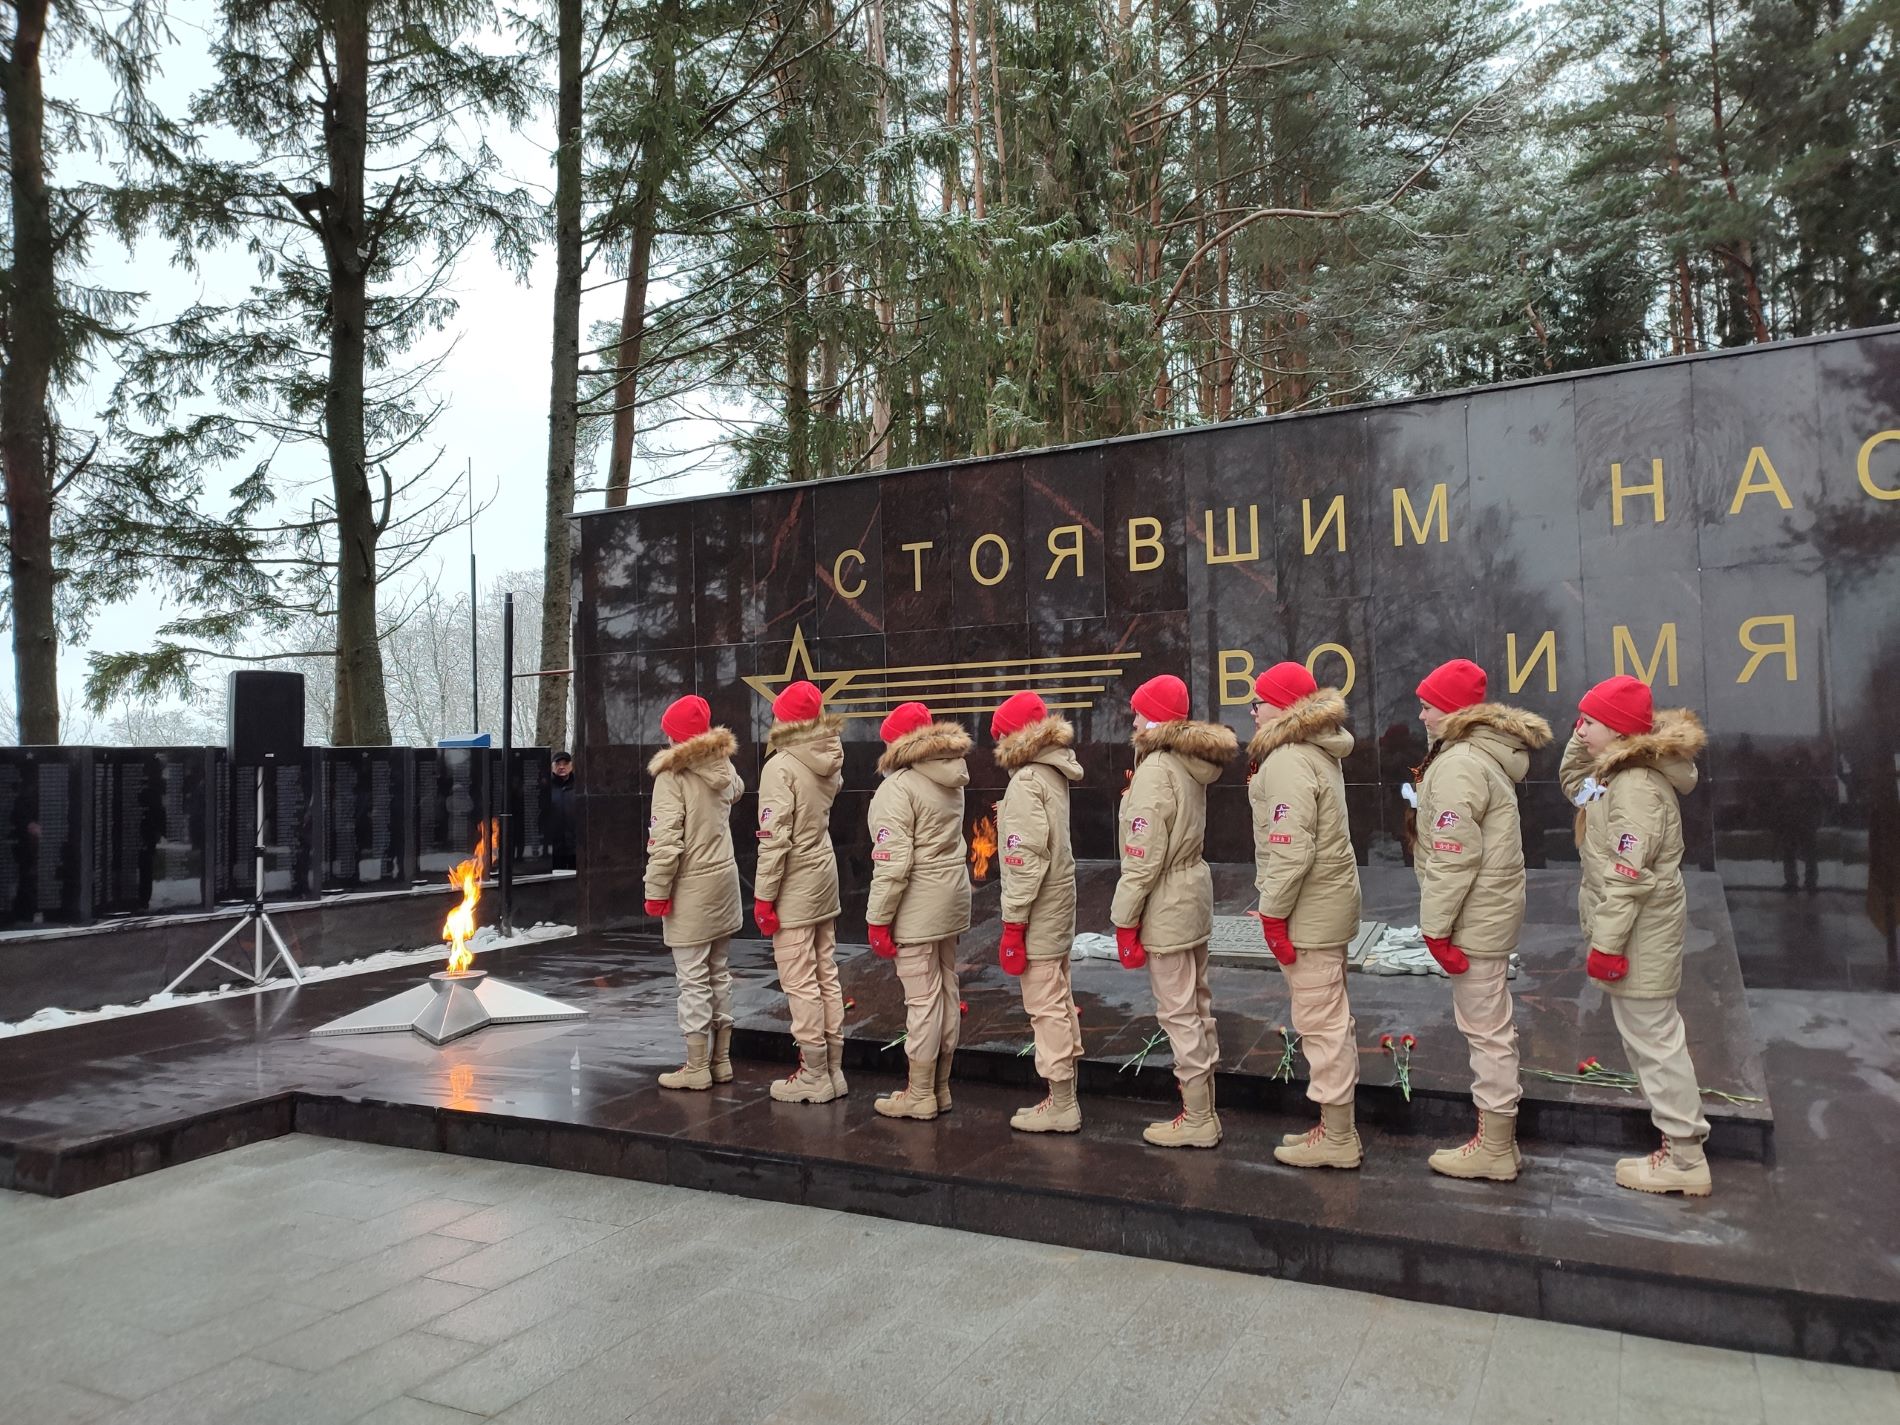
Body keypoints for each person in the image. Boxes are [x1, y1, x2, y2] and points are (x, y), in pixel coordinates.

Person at [1562, 675, 1713, 1196]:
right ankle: (1679, 1149)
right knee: (1651, 1040)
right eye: (1579, 720)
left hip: (1638, 937)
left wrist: (1606, 946)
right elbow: (1574, 785)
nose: (1579, 730)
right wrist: (1586, 732)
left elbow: (1628, 877)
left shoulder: (1635, 788)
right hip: (1637, 935)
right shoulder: (1618, 774)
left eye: (1590, 722)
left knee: (1656, 1043)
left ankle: (1685, 1159)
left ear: (1621, 732)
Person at [1410, 658, 1551, 1181]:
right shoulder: (1476, 757)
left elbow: (1452, 855)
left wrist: (1436, 928)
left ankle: (1494, 1148)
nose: (1421, 717)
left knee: (1487, 1031)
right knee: (1490, 1026)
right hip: (1485, 913)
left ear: (1451, 711)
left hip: (1474, 919)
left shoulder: (1459, 764)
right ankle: (1498, 1144)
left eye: (1427, 707)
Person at [1112, 673, 1239, 1148]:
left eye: (1138, 710)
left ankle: (1197, 1117)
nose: (1132, 718)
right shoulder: (1188, 762)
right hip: (1192, 896)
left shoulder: (1155, 770)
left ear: (1154, 718)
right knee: (1197, 1005)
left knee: (1179, 1012)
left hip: (1166, 902)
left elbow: (1141, 857)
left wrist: (1125, 919)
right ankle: (1204, 1107)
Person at [1246, 662, 1365, 1170]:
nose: (1252, 711)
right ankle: (1332, 1126)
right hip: (1324, 902)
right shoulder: (1313, 751)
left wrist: (1272, 916)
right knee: (1328, 1015)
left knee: (1320, 1019)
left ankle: (1338, 1137)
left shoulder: (1289, 759)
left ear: (1285, 708)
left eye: (1260, 702)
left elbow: (1290, 849)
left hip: (1310, 910)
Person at [864, 701, 973, 1121]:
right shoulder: (951, 774)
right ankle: (940, 1088)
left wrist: (878, 918)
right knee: (946, 991)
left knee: (923, 1000)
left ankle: (920, 1093)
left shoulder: (898, 788)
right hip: (949, 898)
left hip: (917, 905)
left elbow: (892, 862)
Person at [991, 690, 1086, 1132]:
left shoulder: (1026, 780)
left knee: (1045, 1003)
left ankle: (1062, 1102)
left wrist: (1013, 924)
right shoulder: (1051, 772)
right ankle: (1064, 1095)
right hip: (1058, 902)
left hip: (1040, 908)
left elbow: (1024, 860)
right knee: (1058, 999)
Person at [643, 695, 744, 1091]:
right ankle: (722, 1061)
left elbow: (665, 842)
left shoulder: (673, 777)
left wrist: (656, 890)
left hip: (691, 889)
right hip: (724, 882)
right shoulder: (724, 766)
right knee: (718, 972)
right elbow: (734, 791)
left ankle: (696, 1066)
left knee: (693, 979)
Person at [755, 680, 849, 1104]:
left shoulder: (781, 766)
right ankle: (833, 1070)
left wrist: (763, 895)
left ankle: (814, 1073)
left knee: (799, 980)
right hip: (823, 874)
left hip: (795, 882)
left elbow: (774, 840)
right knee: (825, 972)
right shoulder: (828, 756)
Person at [549, 751, 576, 871]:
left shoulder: (580, 785)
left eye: (565, 763)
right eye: (558, 764)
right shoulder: (545, 787)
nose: (562, 767)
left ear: (571, 765)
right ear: (552, 766)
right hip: (553, 848)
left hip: (576, 847)